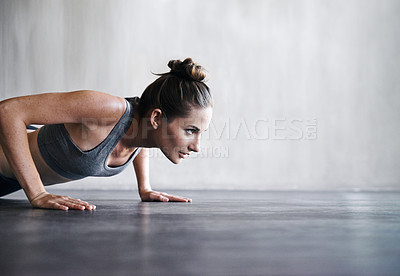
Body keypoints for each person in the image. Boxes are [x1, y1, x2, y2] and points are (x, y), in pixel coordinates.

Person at [0, 58, 213, 211]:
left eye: (200, 133)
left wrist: (145, 188)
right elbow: (8, 112)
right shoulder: (108, 109)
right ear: (156, 118)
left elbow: (141, 140)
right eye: (190, 131)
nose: (196, 146)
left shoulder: (142, 129)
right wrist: (37, 193)